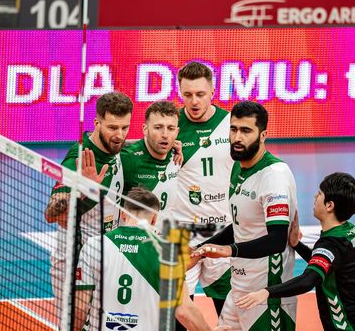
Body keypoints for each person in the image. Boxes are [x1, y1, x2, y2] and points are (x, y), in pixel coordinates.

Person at [192, 101, 298, 330]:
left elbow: (277, 240)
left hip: (266, 295)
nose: (237, 137)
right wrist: (201, 250)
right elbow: (241, 226)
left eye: (246, 131)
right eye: (234, 129)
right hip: (239, 288)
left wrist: (229, 250)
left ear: (263, 135)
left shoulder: (273, 175)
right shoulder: (238, 167)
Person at [236, 172, 355, 331]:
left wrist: (266, 292)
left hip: (349, 326)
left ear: (329, 205)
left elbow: (308, 280)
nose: (315, 197)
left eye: (319, 194)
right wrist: (297, 245)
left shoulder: (331, 243)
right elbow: (328, 264)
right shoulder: (350, 231)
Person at [74, 186, 229, 331]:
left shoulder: (94, 245)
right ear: (154, 219)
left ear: (123, 214)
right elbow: (184, 311)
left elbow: (79, 308)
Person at [44, 92, 133, 317]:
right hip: (75, 262)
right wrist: (83, 190)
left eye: (125, 127)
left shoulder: (114, 146)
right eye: (113, 127)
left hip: (106, 257)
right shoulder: (79, 159)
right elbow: (52, 215)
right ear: (97, 123)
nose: (119, 135)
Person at [175, 61, 234, 323]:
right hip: (180, 234)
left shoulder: (231, 124)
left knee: (230, 316)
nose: (194, 101)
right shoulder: (171, 126)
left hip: (223, 232)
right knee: (175, 317)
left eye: (200, 94)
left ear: (212, 91)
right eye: (187, 94)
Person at [120, 100, 181, 231]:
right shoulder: (128, 159)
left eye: (170, 128)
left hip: (163, 238)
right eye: (158, 127)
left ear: (177, 132)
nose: (165, 135)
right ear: (145, 129)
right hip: (132, 239)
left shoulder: (177, 155)